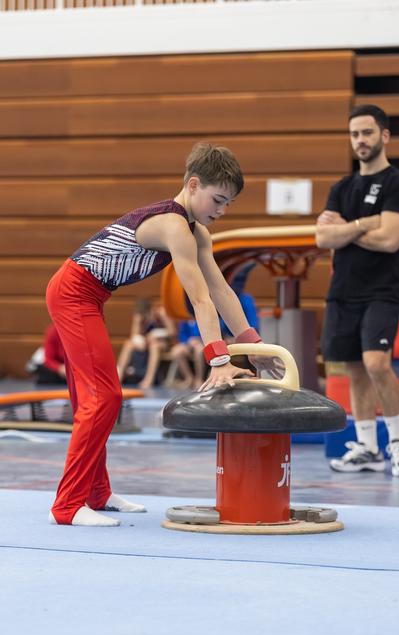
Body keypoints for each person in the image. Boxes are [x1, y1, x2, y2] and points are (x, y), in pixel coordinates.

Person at [46, 142, 279, 527]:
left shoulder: (196, 233)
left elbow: (222, 290)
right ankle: (68, 506)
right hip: (74, 294)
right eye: (217, 200)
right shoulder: (173, 226)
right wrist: (219, 359)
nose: (220, 211)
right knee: (104, 398)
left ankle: (96, 493)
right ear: (192, 185)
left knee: (93, 400)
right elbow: (200, 298)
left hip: (88, 296)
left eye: (228, 205)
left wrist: (254, 346)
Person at [316, 104, 399, 477]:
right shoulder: (341, 187)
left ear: (384, 136)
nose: (360, 140)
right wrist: (365, 223)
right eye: (355, 134)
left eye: (367, 133)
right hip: (343, 291)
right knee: (355, 370)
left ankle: (397, 443)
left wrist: (347, 228)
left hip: (381, 291)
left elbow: (391, 240)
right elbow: (322, 236)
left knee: (377, 364)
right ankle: (367, 448)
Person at [116, 299, 176, 389]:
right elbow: (134, 335)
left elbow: (172, 332)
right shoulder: (140, 316)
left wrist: (156, 333)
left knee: (154, 346)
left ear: (151, 310)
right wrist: (138, 322)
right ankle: (119, 377)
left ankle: (149, 379)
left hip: (162, 343)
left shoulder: (161, 313)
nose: (145, 318)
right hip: (146, 342)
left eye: (146, 315)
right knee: (128, 344)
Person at [167, 319, 206, 389]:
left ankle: (199, 379)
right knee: (176, 351)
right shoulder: (184, 320)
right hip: (188, 344)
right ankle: (189, 378)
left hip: (202, 343)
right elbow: (182, 335)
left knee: (199, 350)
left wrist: (198, 339)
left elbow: (207, 333)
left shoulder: (203, 319)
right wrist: (188, 342)